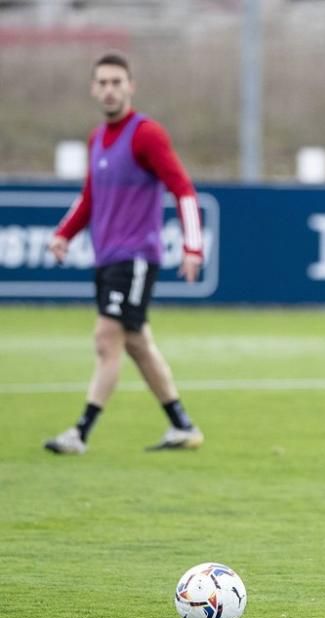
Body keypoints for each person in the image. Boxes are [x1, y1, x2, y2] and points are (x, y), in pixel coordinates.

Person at [43, 52, 205, 455]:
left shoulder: (146, 134)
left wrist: (192, 246)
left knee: (106, 338)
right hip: (106, 256)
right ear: (93, 89)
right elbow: (90, 197)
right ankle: (182, 425)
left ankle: (80, 432)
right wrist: (65, 233)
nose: (110, 89)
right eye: (103, 82)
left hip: (135, 258)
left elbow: (183, 189)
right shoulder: (97, 138)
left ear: (131, 86)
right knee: (137, 344)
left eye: (117, 82)